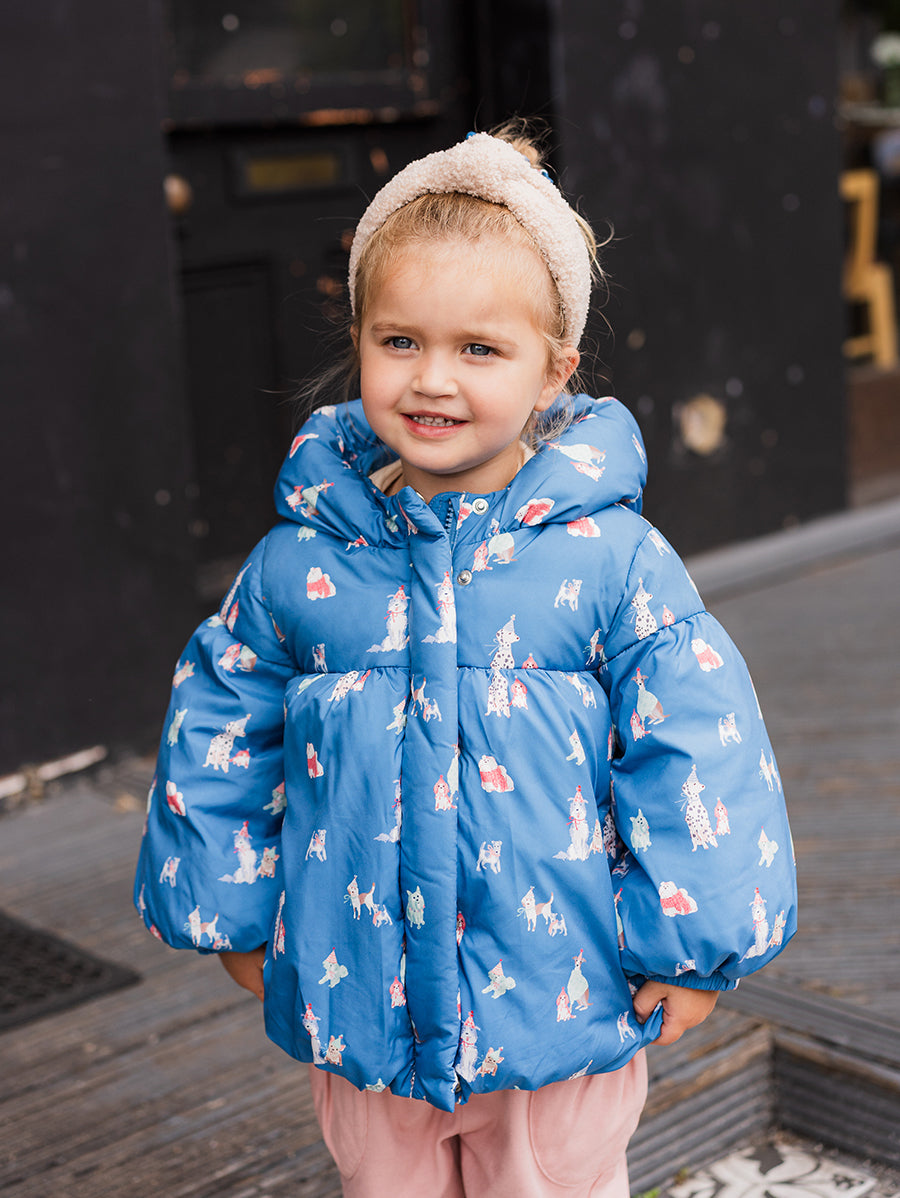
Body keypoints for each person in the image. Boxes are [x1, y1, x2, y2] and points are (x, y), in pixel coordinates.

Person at [134, 125, 797, 1198]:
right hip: (365, 1002)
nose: (432, 380)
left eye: (480, 350)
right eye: (399, 340)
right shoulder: (299, 563)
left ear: (553, 370)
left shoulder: (611, 560)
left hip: (561, 997)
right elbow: (217, 729)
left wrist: (693, 943)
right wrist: (231, 909)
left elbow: (698, 747)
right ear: (359, 339)